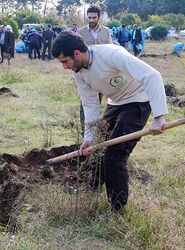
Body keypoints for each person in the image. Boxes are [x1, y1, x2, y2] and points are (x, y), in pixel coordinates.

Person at [51, 31, 168, 211]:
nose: (64, 67)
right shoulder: (79, 71)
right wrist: (88, 138)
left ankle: (117, 207)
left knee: (114, 155)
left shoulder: (112, 54)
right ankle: (93, 186)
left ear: (76, 53)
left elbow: (152, 76)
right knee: (97, 147)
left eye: (64, 61)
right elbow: (90, 104)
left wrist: (159, 117)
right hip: (115, 102)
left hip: (138, 100)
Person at [77, 4, 113, 137]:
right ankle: (85, 134)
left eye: (94, 18)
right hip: (86, 72)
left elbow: (110, 50)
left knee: (98, 102)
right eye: (89, 17)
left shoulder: (106, 32)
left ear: (99, 17)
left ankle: (96, 134)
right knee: (86, 104)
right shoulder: (80, 32)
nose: (91, 20)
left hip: (102, 73)